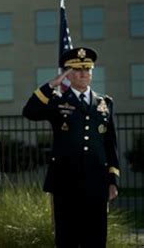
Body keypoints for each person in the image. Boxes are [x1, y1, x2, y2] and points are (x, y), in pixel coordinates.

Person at [22, 47, 120, 247]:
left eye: (87, 69)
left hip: (97, 181)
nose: (83, 74)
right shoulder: (58, 101)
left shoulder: (105, 103)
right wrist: (52, 85)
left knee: (96, 238)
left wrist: (113, 180)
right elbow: (29, 111)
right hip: (65, 181)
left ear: (92, 72)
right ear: (68, 74)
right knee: (67, 238)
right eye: (77, 70)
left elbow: (110, 144)